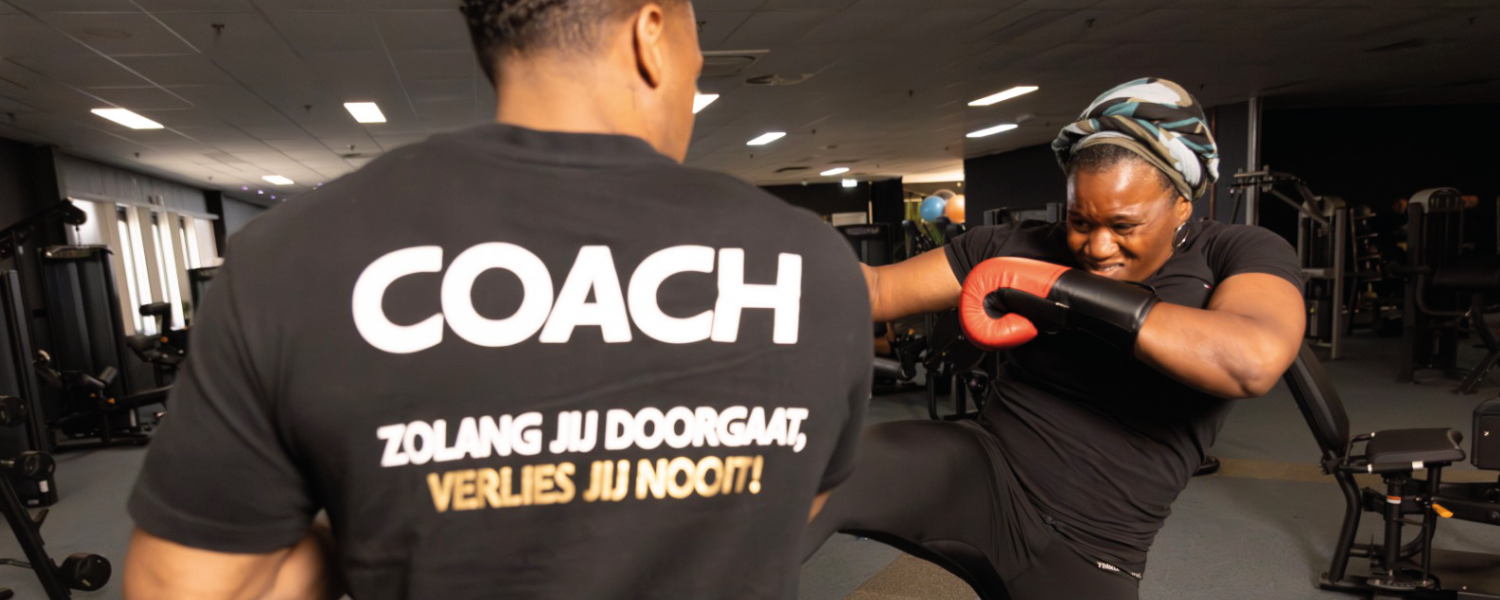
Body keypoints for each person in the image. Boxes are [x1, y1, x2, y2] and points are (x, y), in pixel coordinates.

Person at [123, 1, 872, 599]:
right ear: (651, 34)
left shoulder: (294, 254)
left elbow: (199, 589)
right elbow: (791, 503)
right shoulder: (810, 263)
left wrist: (381, 520)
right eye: (696, 50)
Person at [802, 78, 1306, 600]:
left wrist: (1058, 288)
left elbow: (1252, 360)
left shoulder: (1236, 253)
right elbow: (876, 290)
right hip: (980, 472)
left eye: (1124, 225)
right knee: (810, 469)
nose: (1098, 246)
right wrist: (769, 254)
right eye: (1079, 220)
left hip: (1092, 547)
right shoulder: (1016, 244)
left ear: (1182, 203)